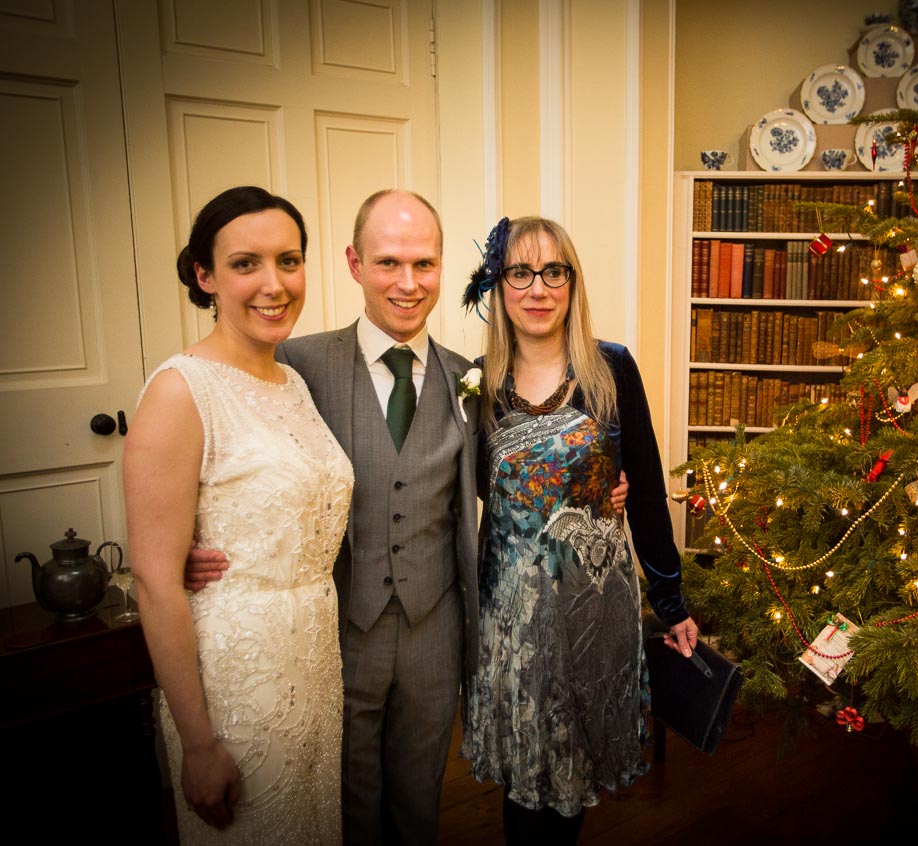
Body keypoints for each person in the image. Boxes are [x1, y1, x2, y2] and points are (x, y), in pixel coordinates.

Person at [183, 191, 628, 845]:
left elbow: (514, 475)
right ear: (355, 264)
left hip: (436, 629)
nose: (408, 282)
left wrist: (599, 487)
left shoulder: (471, 378)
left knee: (420, 802)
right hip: (338, 629)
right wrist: (200, 538)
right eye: (389, 262)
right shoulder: (298, 363)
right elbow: (241, 451)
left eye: (424, 264)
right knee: (347, 802)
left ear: (442, 267)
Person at [460, 216, 699, 844]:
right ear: (498, 285)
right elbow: (473, 487)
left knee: (571, 765)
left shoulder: (611, 368)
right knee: (524, 770)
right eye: (520, 272)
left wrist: (671, 601)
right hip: (511, 610)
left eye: (553, 272)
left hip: (594, 603)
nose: (537, 289)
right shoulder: (477, 382)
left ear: (572, 282)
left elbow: (645, 487)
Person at [125, 186, 352, 843]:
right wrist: (198, 744)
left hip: (314, 663)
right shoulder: (180, 390)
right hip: (235, 683)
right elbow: (155, 581)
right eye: (246, 263)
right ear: (206, 276)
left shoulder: (294, 382)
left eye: (289, 260)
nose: (274, 284)